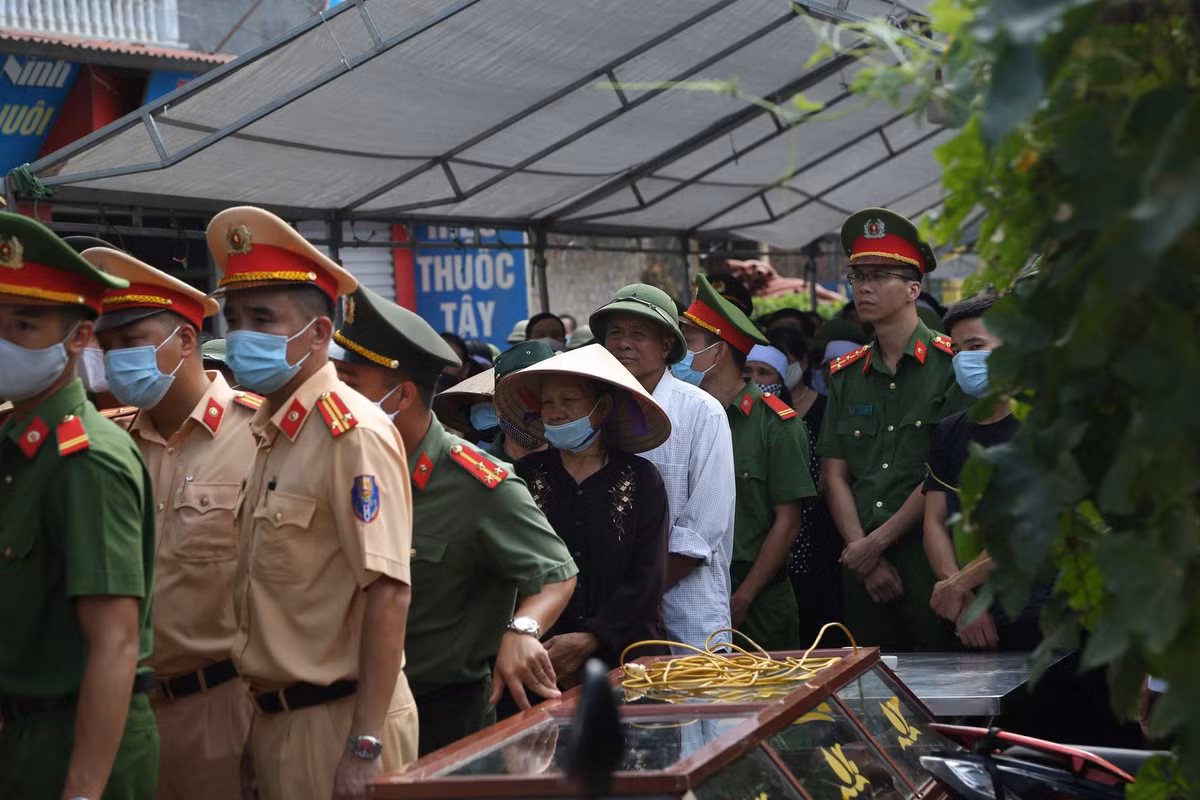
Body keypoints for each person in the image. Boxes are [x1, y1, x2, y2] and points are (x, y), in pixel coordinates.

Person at [207, 206, 418, 799]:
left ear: (320, 334)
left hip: (344, 721)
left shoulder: (352, 433)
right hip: (280, 720)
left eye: (264, 318)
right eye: (236, 317)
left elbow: (388, 593)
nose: (243, 332)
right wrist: (259, 727)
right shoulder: (273, 432)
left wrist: (365, 744)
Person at [330, 286, 578, 755]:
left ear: (401, 396)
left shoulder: (477, 484)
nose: (336, 398)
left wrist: (521, 631)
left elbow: (555, 574)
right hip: (340, 699)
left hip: (440, 712)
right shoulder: (339, 462)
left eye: (351, 385)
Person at [86, 247, 257, 800]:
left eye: (131, 344)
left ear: (186, 341)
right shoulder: (107, 447)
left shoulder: (259, 436)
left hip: (227, 707)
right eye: (106, 347)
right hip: (126, 711)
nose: (115, 362)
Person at [0, 213, 158, 799]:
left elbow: (114, 643)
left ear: (79, 338)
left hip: (79, 744)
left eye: (25, 323)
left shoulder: (86, 459)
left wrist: (84, 792)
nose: (4, 339)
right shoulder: (17, 449)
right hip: (27, 737)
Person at [817, 208, 970, 652]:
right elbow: (835, 474)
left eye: (879, 275)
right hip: (862, 563)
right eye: (857, 275)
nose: (863, 287)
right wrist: (863, 555)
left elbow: (943, 475)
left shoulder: (950, 367)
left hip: (930, 558)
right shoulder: (846, 375)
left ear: (913, 288)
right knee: (875, 696)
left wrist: (876, 544)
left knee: (944, 687)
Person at [495, 344, 672, 676]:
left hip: (626, 658)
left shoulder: (641, 479)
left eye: (569, 401)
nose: (556, 412)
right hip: (539, 655)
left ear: (602, 406)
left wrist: (592, 636)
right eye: (548, 402)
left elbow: (648, 577)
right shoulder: (526, 475)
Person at [590, 284, 736, 653]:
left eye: (638, 334)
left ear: (667, 346)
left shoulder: (701, 412)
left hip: (687, 614)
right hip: (611, 619)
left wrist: (634, 596)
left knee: (696, 708)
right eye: (616, 333)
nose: (623, 343)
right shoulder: (597, 412)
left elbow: (701, 531)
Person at [679, 275, 815, 651]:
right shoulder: (679, 417)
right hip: (689, 589)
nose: (676, 351)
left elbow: (787, 521)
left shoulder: (776, 424)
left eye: (687, 341)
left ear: (719, 352)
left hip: (757, 597)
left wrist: (744, 595)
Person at [922, 292, 1035, 650]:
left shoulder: (1043, 427)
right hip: (964, 616)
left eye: (976, 346)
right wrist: (965, 601)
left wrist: (959, 585)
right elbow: (934, 522)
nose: (965, 359)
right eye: (957, 351)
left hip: (1038, 613)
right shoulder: (950, 430)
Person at [433, 341, 555, 463]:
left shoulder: (572, 466)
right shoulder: (475, 471)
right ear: (497, 404)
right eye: (519, 397)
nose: (531, 406)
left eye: (542, 396)